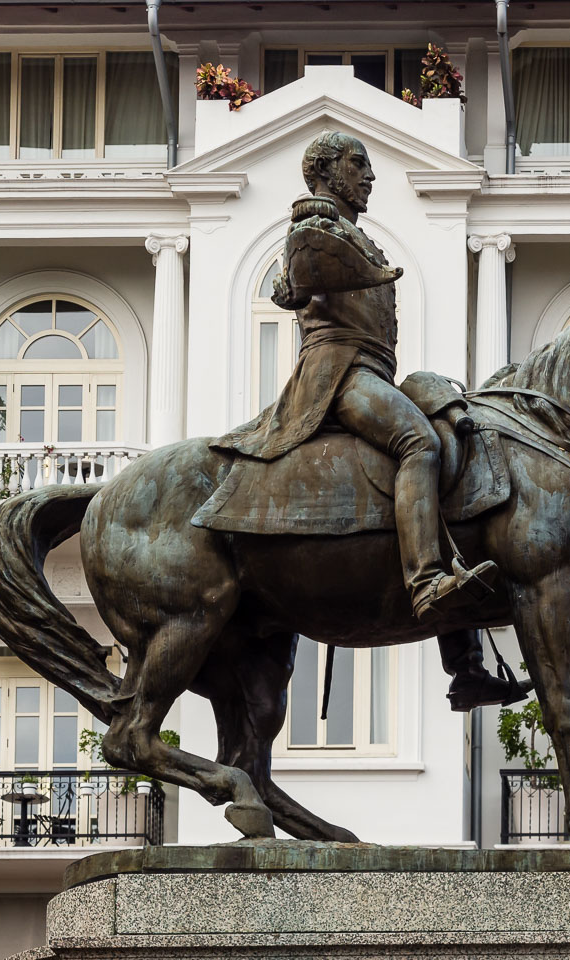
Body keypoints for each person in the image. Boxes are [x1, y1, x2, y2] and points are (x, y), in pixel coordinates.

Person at [213, 132, 522, 710]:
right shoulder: (315, 229)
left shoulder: (348, 234)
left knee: (458, 448)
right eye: (359, 165)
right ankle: (427, 579)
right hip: (339, 372)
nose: (370, 177)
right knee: (417, 445)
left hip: (375, 373)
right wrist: (318, 225)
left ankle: (467, 665)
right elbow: (295, 285)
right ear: (327, 172)